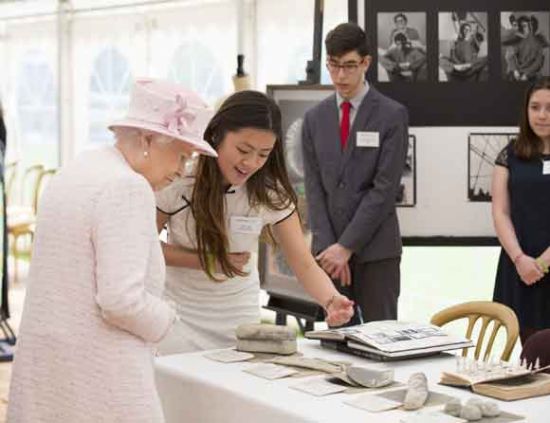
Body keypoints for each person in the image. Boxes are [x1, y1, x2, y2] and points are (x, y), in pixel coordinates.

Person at [7, 78, 217, 423]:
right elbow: (122, 301)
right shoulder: (128, 187)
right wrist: (167, 317)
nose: (181, 170)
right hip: (102, 377)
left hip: (53, 368)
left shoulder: (80, 168)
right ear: (148, 140)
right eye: (182, 156)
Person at [155, 90, 354, 354]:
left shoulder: (271, 194)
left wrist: (330, 300)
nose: (251, 163)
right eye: (243, 150)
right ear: (216, 136)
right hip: (180, 314)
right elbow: (143, 246)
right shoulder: (179, 181)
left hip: (238, 316)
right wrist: (205, 260)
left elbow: (303, 262)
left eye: (263, 154)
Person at [301, 23, 408, 326]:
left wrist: (346, 246)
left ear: (366, 63)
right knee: (336, 342)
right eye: (333, 66)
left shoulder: (392, 115)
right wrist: (329, 248)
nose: (340, 77)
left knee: (379, 338)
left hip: (377, 252)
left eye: (349, 66)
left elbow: (384, 189)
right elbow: (314, 188)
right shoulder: (314, 119)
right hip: (330, 255)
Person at [492, 77, 550, 346]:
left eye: (549, 108)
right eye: (535, 107)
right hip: (520, 269)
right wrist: (520, 260)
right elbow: (500, 211)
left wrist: (541, 263)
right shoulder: (510, 155)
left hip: (541, 265)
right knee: (530, 359)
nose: (542, 115)